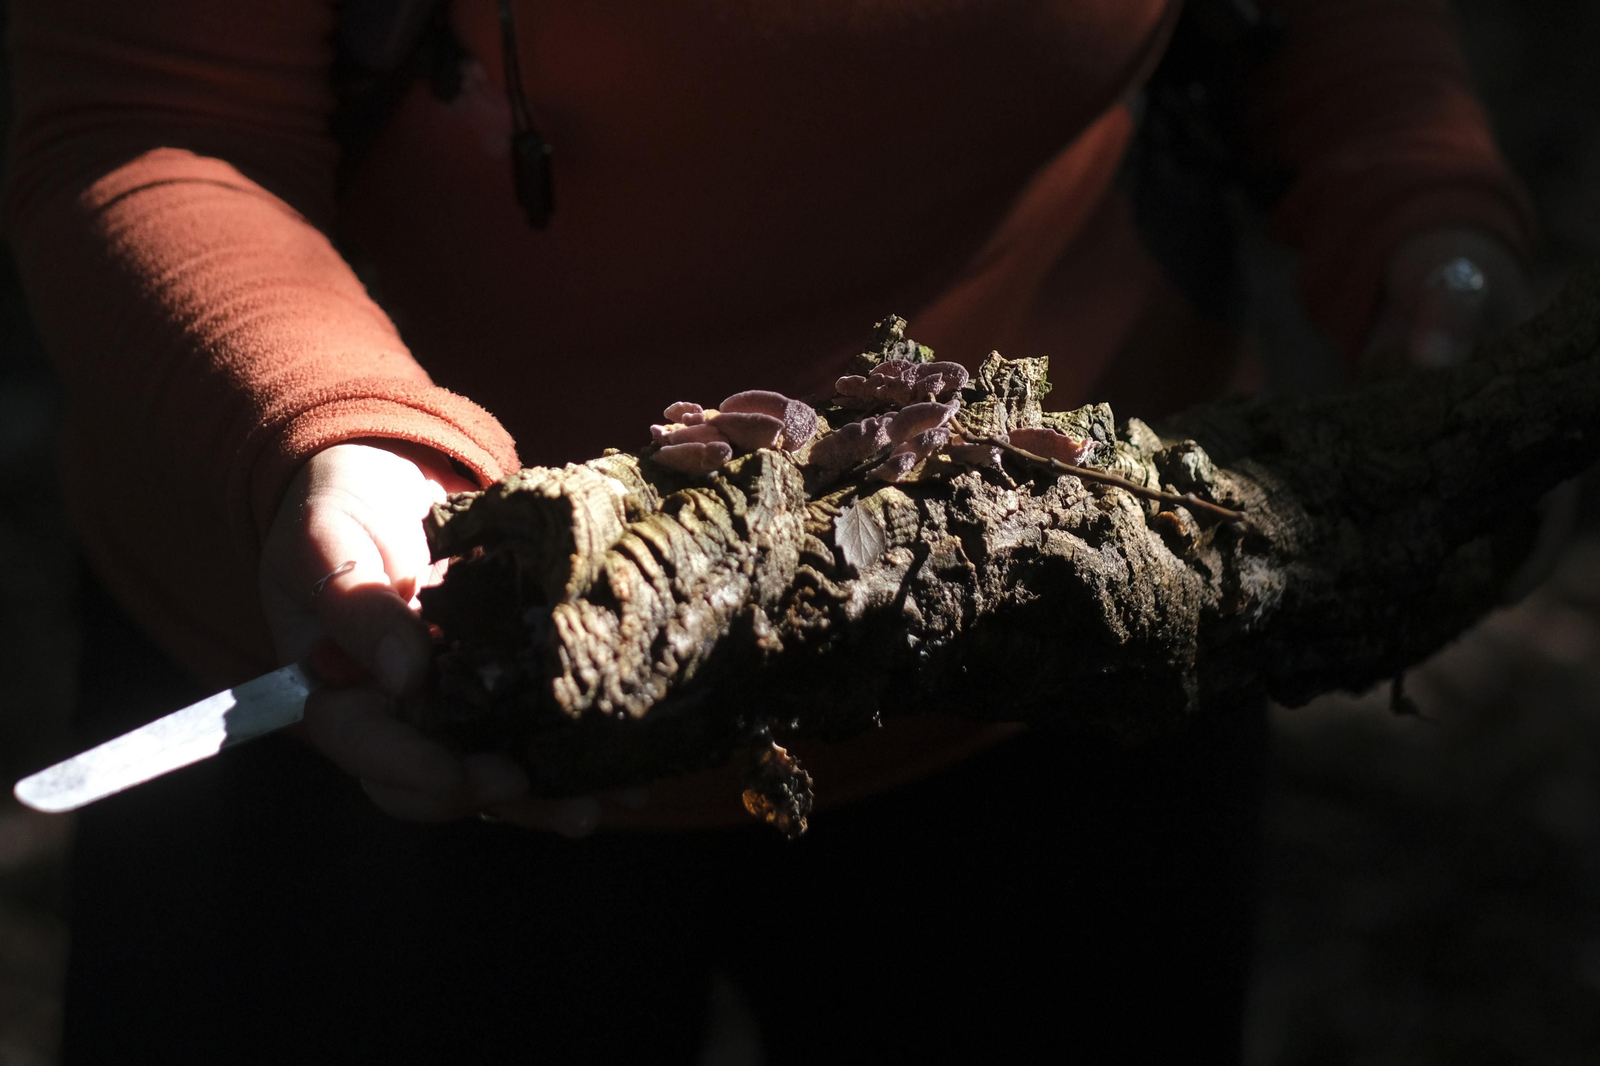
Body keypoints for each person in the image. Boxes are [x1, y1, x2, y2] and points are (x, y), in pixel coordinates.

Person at [3, 0, 1533, 1061]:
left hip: (1064, 637)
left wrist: (1414, 208)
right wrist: (328, 438)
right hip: (392, 666)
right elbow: (152, 110)